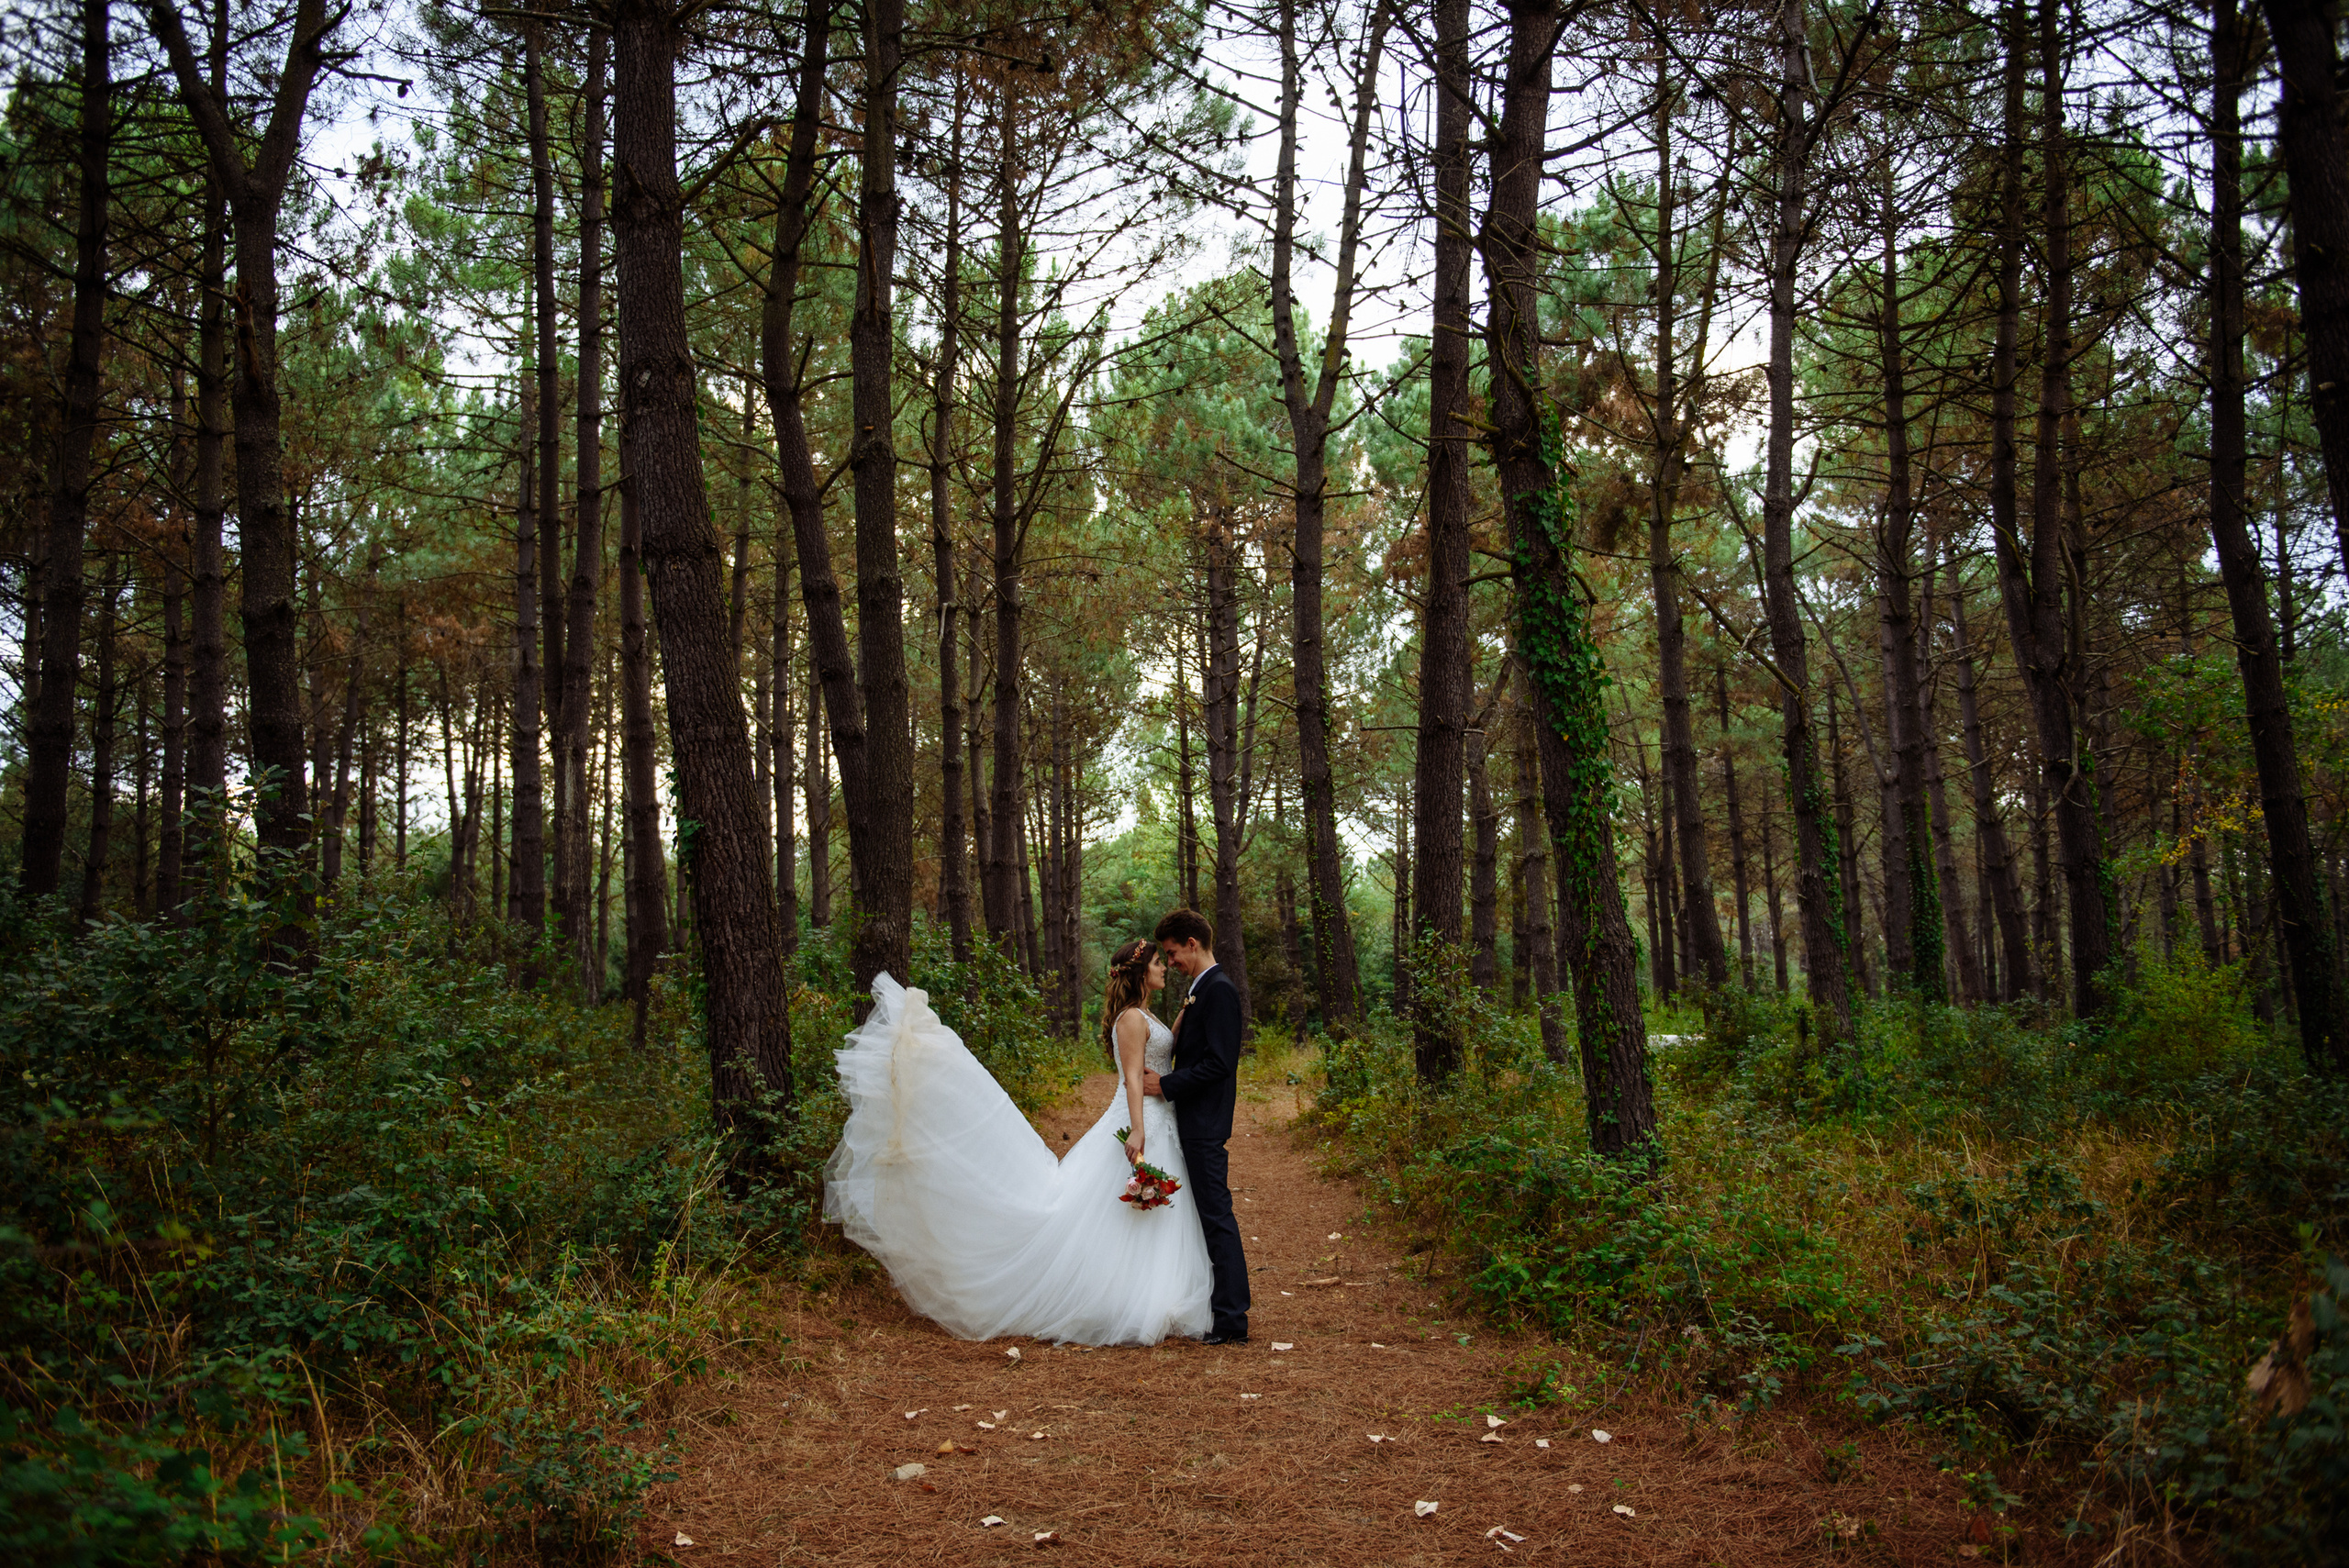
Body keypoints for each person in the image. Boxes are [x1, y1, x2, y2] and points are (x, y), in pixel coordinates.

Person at [819, 941, 1211, 1345]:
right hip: (1142, 1121)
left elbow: (1161, 1050)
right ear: (1139, 971)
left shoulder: (1145, 1014)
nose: (1164, 966)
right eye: (1157, 962)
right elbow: (1132, 1078)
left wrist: (1185, 1013)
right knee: (1121, 1213)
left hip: (1164, 1120)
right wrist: (1137, 1129)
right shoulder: (1130, 1018)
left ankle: (1154, 1294)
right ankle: (1123, 1300)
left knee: (1150, 1215)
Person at [1141, 907, 1251, 1344]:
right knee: (1207, 1215)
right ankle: (1214, 1308)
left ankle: (1231, 1321)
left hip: (1205, 1122)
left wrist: (1166, 1085)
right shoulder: (1200, 990)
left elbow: (1221, 1063)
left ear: (1192, 943)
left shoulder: (1219, 990)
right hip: (1193, 1120)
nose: (1170, 963)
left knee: (1216, 1216)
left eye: (1172, 954)